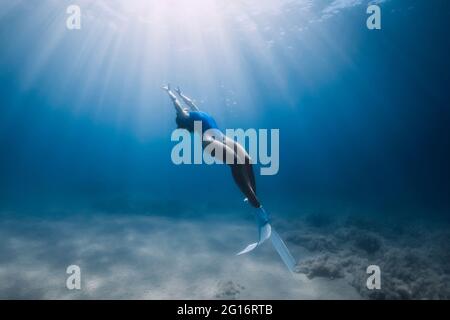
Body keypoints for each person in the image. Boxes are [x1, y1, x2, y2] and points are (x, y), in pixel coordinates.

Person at [163, 84, 296, 272]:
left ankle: (253, 196)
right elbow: (178, 106)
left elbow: (190, 102)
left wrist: (180, 93)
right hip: (208, 142)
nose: (185, 108)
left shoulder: (196, 112)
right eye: (182, 110)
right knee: (235, 161)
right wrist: (170, 94)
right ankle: (256, 206)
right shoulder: (185, 117)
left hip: (221, 136)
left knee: (247, 160)